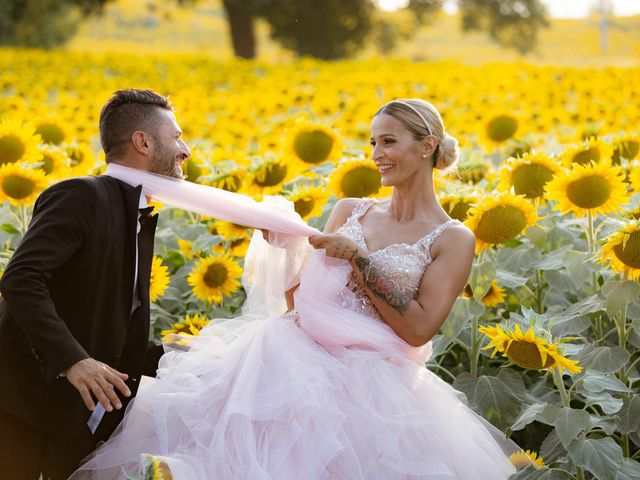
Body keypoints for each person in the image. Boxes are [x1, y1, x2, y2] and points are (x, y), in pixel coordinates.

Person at [71, 99, 520, 479]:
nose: (376, 154)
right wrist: (287, 251)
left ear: (427, 146)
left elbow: (419, 329)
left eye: (389, 141)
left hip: (375, 386)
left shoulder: (452, 237)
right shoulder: (351, 209)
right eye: (373, 142)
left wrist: (359, 260)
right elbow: (301, 299)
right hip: (293, 361)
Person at [0, 88, 191, 479]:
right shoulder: (81, 195)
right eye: (177, 137)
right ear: (142, 141)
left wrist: (191, 358)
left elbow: (108, 325)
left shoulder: (136, 216)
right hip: (17, 406)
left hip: (72, 423)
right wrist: (73, 360)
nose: (185, 150)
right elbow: (21, 278)